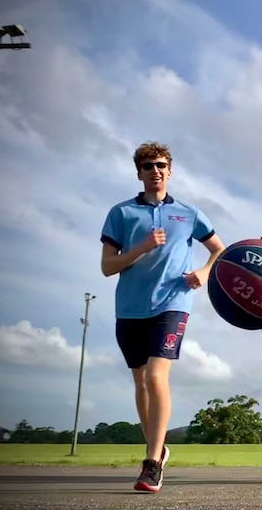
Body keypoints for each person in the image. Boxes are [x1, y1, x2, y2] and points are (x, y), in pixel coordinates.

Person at [100, 141, 225, 493]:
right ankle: (158, 447)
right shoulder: (121, 213)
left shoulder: (188, 213)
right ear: (138, 173)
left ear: (170, 171)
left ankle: (152, 464)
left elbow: (219, 248)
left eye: (160, 165)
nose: (155, 171)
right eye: (147, 166)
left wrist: (204, 271)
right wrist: (140, 248)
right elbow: (107, 267)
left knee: (157, 376)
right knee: (140, 382)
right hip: (130, 308)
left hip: (174, 303)